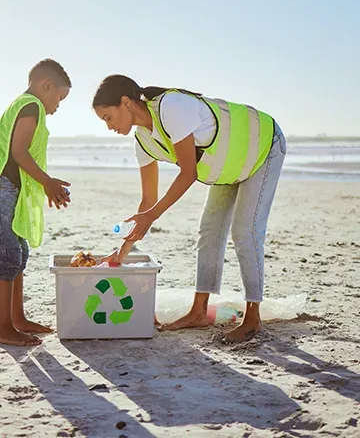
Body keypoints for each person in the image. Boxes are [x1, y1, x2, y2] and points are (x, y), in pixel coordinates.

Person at [93, 75, 286, 343]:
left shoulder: (171, 107)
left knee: (244, 231)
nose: (109, 125)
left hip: (262, 146)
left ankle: (253, 319)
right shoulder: (143, 141)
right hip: (228, 167)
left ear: (125, 103)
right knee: (209, 231)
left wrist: (151, 216)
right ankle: (198, 311)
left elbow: (188, 172)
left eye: (107, 117)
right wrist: (122, 250)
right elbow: (147, 203)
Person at [0, 59, 72, 346]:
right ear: (46, 85)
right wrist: (48, 182)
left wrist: (48, 185)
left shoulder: (25, 105)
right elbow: (19, 153)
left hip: (7, 189)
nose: (58, 105)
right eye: (60, 98)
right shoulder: (31, 106)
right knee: (6, 258)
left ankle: (17, 319)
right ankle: (4, 328)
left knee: (19, 253)